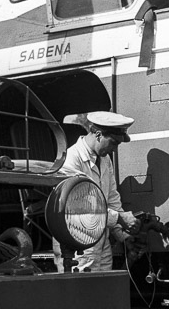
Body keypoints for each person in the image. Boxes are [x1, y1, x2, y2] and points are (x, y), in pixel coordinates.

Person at [56, 111, 141, 272]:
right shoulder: (71, 160)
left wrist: (123, 236)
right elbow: (79, 206)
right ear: (98, 134)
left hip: (101, 240)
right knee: (83, 294)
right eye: (114, 143)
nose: (115, 149)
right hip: (78, 242)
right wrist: (120, 218)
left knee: (103, 291)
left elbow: (112, 200)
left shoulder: (104, 159)